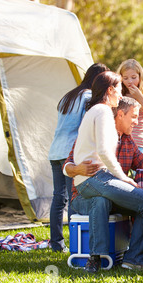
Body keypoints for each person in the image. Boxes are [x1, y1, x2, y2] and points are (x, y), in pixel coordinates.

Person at [64, 72, 143, 273]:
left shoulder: (95, 112)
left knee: (132, 204)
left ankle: (124, 259)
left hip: (91, 182)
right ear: (110, 90)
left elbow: (111, 154)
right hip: (96, 178)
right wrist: (124, 178)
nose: (120, 92)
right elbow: (104, 152)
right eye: (118, 88)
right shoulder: (103, 111)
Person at [48, 62, 109, 252]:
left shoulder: (69, 95)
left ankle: (57, 243)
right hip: (70, 154)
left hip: (55, 151)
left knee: (59, 199)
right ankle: (77, 244)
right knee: (75, 197)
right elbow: (86, 127)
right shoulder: (89, 97)